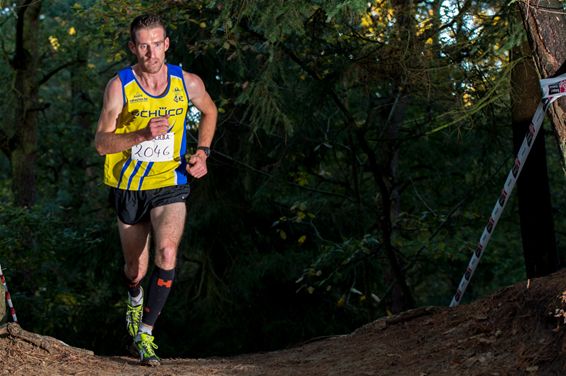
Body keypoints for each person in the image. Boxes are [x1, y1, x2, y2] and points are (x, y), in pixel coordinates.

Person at [94, 14, 217, 366]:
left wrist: (204, 153)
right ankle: (134, 299)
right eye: (143, 45)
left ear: (166, 44)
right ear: (134, 47)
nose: (151, 52)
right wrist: (142, 135)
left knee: (166, 252)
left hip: (170, 183)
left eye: (157, 43)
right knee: (136, 268)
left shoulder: (186, 82)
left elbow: (210, 111)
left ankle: (145, 334)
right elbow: (102, 144)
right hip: (129, 187)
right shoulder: (120, 86)